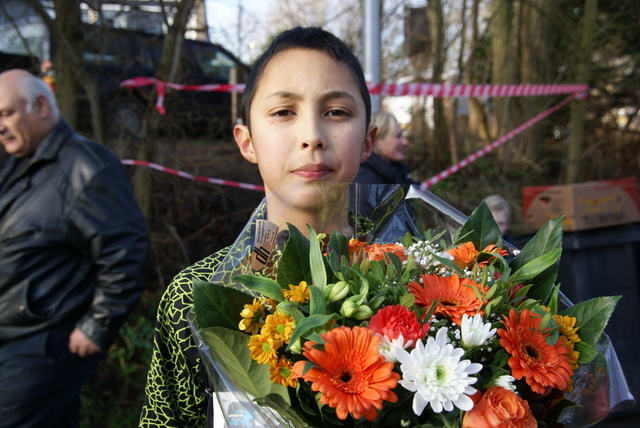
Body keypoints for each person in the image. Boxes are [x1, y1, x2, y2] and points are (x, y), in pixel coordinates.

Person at [139, 26, 375, 427]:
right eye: (284, 112)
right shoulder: (195, 298)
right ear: (246, 141)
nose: (312, 136)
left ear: (368, 140)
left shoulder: (427, 282)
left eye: (336, 112)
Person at [0, 69, 149, 428]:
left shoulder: (86, 168)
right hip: (17, 335)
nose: (0, 126)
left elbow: (126, 250)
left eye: (6, 113)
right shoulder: (22, 164)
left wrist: (98, 325)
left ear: (40, 105)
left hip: (42, 343)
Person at [355, 110, 415, 185]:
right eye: (398, 136)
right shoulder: (365, 183)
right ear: (375, 141)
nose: (405, 142)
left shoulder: (398, 169)